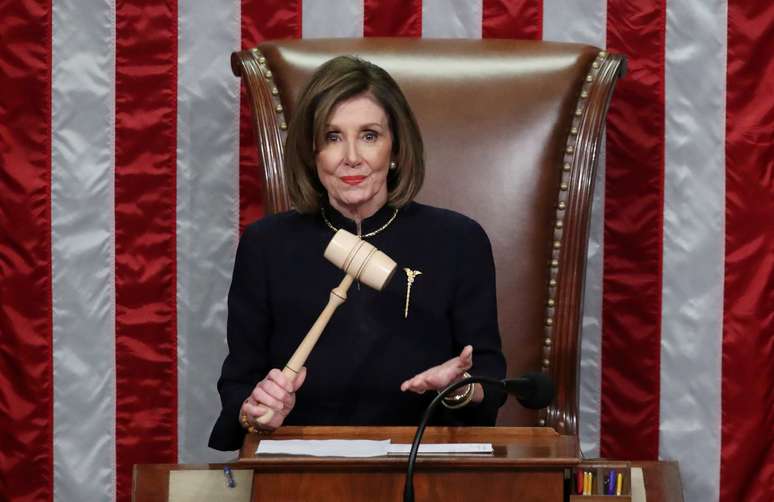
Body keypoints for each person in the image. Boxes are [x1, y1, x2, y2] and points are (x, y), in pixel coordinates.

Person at [209, 55, 506, 451]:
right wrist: (255, 411)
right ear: (312, 154)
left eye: (369, 135)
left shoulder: (459, 240)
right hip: (301, 470)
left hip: (422, 466)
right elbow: (239, 384)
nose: (352, 156)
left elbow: (490, 376)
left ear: (395, 147)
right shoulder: (267, 244)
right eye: (332, 137)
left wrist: (457, 390)